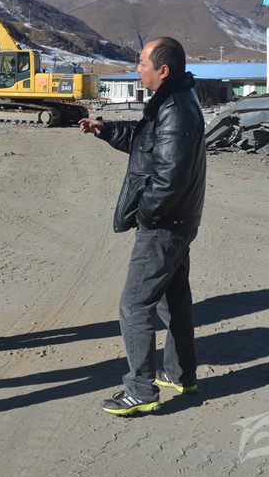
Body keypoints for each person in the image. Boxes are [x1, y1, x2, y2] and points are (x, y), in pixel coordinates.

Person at [78, 36, 206, 416]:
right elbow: (143, 139)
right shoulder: (172, 101)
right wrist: (104, 129)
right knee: (173, 301)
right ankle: (181, 375)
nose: (137, 69)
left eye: (141, 63)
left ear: (162, 70)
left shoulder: (175, 109)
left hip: (165, 224)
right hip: (179, 220)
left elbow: (169, 178)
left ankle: (140, 390)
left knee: (134, 305)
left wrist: (145, 214)